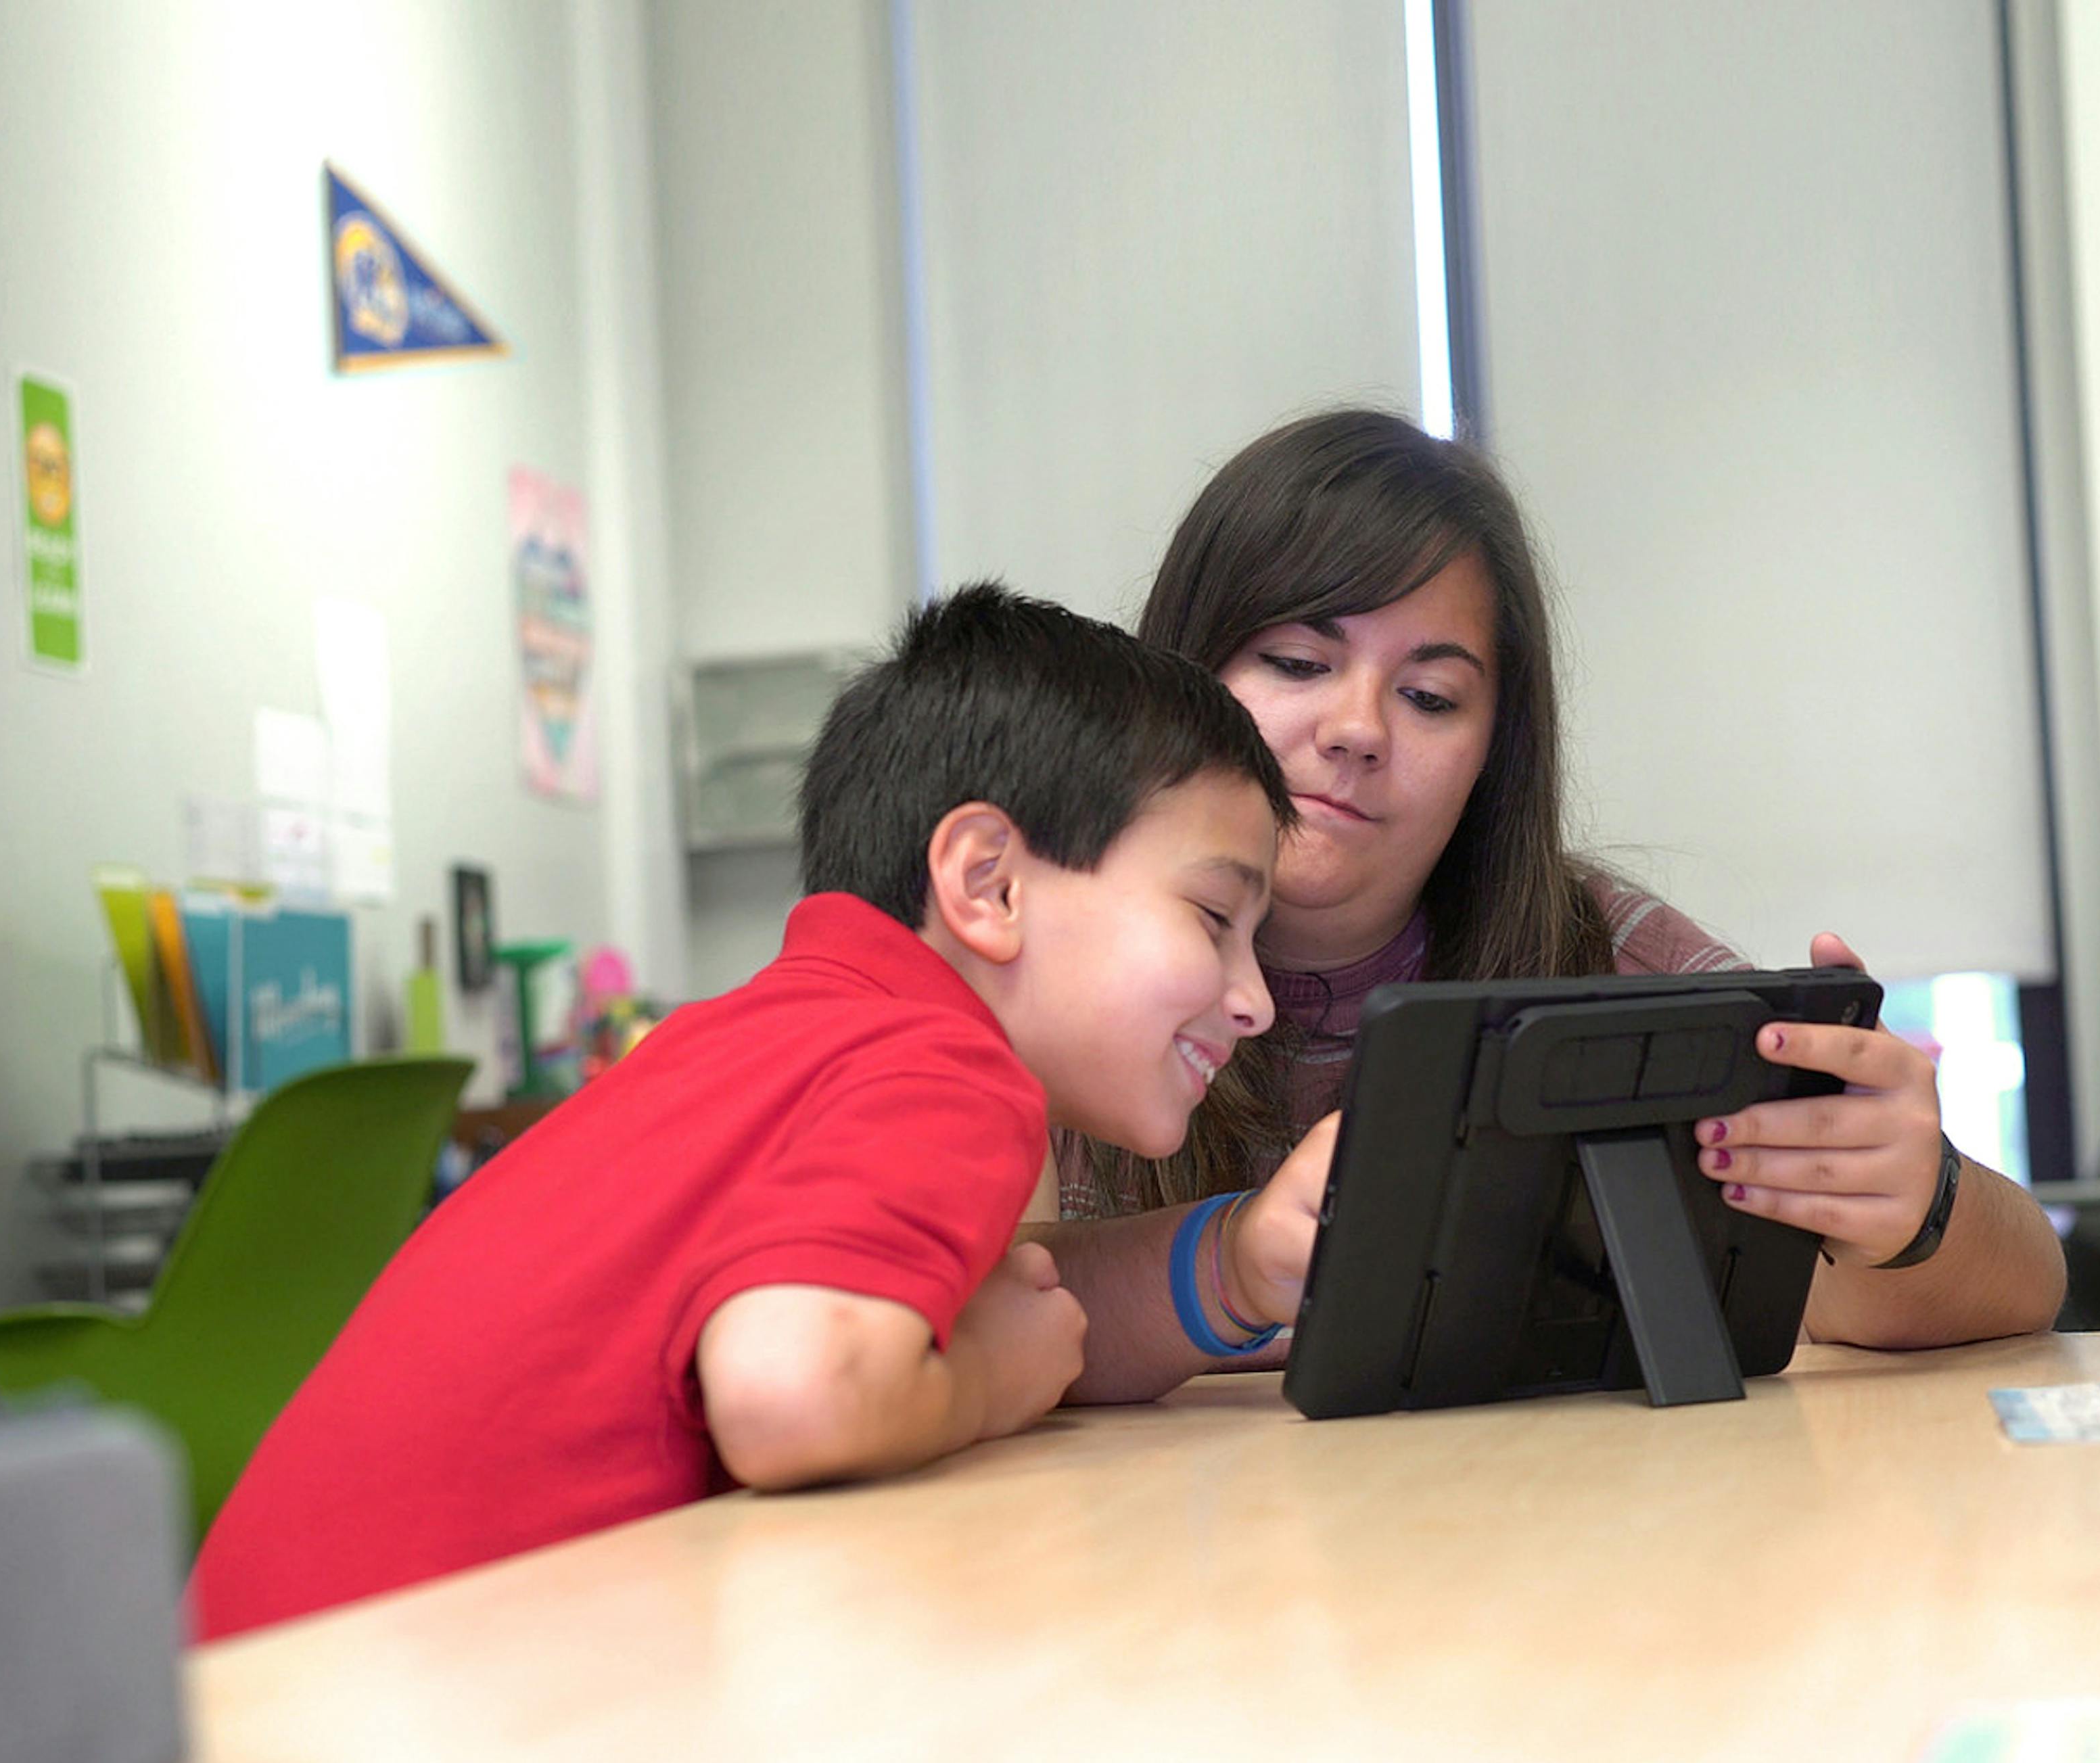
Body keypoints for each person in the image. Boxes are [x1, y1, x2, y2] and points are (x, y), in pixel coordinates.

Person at [189, 586, 1291, 1637]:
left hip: (249, 1672)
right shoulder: (942, 1064)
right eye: (1213, 918)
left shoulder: (751, 1038)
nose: (1256, 999)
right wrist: (986, 1384)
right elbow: (792, 1394)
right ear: (988, 883)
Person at [1035, 410, 2068, 1403]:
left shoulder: (1599, 954)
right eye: (1299, 664)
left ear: (1494, 751)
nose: (1357, 729)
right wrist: (1225, 1265)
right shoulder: (1045, 951)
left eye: (1430, 697)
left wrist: (1913, 1206)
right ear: (1182, 671)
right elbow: (959, 1314)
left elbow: (2006, 1289)